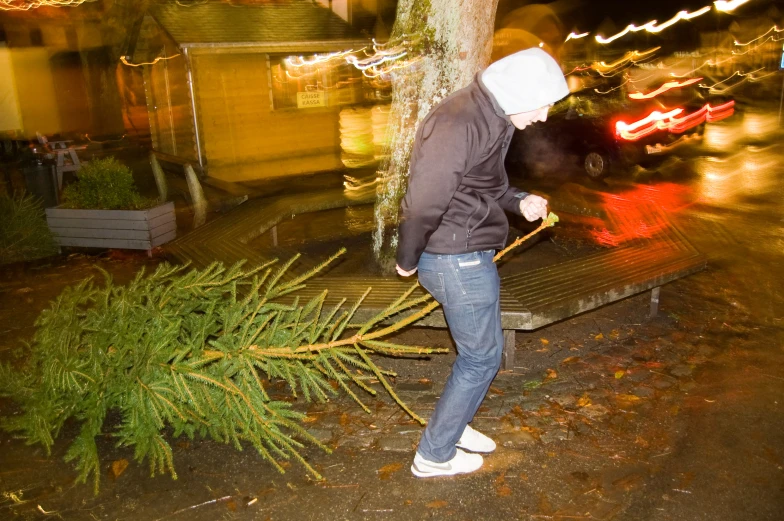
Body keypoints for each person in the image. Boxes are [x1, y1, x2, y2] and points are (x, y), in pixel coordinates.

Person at [395, 48, 569, 478]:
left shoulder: (493, 116)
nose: (545, 116)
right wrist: (407, 258)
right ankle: (434, 455)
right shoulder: (459, 123)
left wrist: (519, 200)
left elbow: (483, 184)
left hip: (469, 251)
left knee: (480, 353)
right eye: (543, 103)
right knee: (481, 358)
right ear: (519, 92)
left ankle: (454, 425)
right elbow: (423, 202)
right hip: (455, 257)